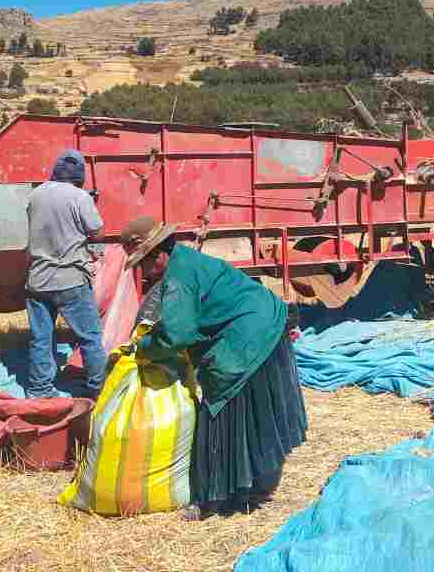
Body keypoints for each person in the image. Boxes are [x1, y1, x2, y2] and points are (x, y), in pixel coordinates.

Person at [121, 217, 307, 520]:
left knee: (218, 412)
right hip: (268, 320)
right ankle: (262, 482)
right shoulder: (186, 260)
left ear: (159, 254)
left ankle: (213, 499)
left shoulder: (178, 277)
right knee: (261, 409)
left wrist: (142, 349)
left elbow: (178, 334)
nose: (143, 271)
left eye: (143, 263)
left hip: (249, 335)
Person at [23, 150, 106, 399]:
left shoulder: (35, 195)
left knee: (40, 338)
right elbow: (98, 233)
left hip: (37, 280)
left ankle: (39, 390)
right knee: (89, 337)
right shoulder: (79, 197)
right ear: (79, 177)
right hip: (71, 280)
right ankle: (96, 390)